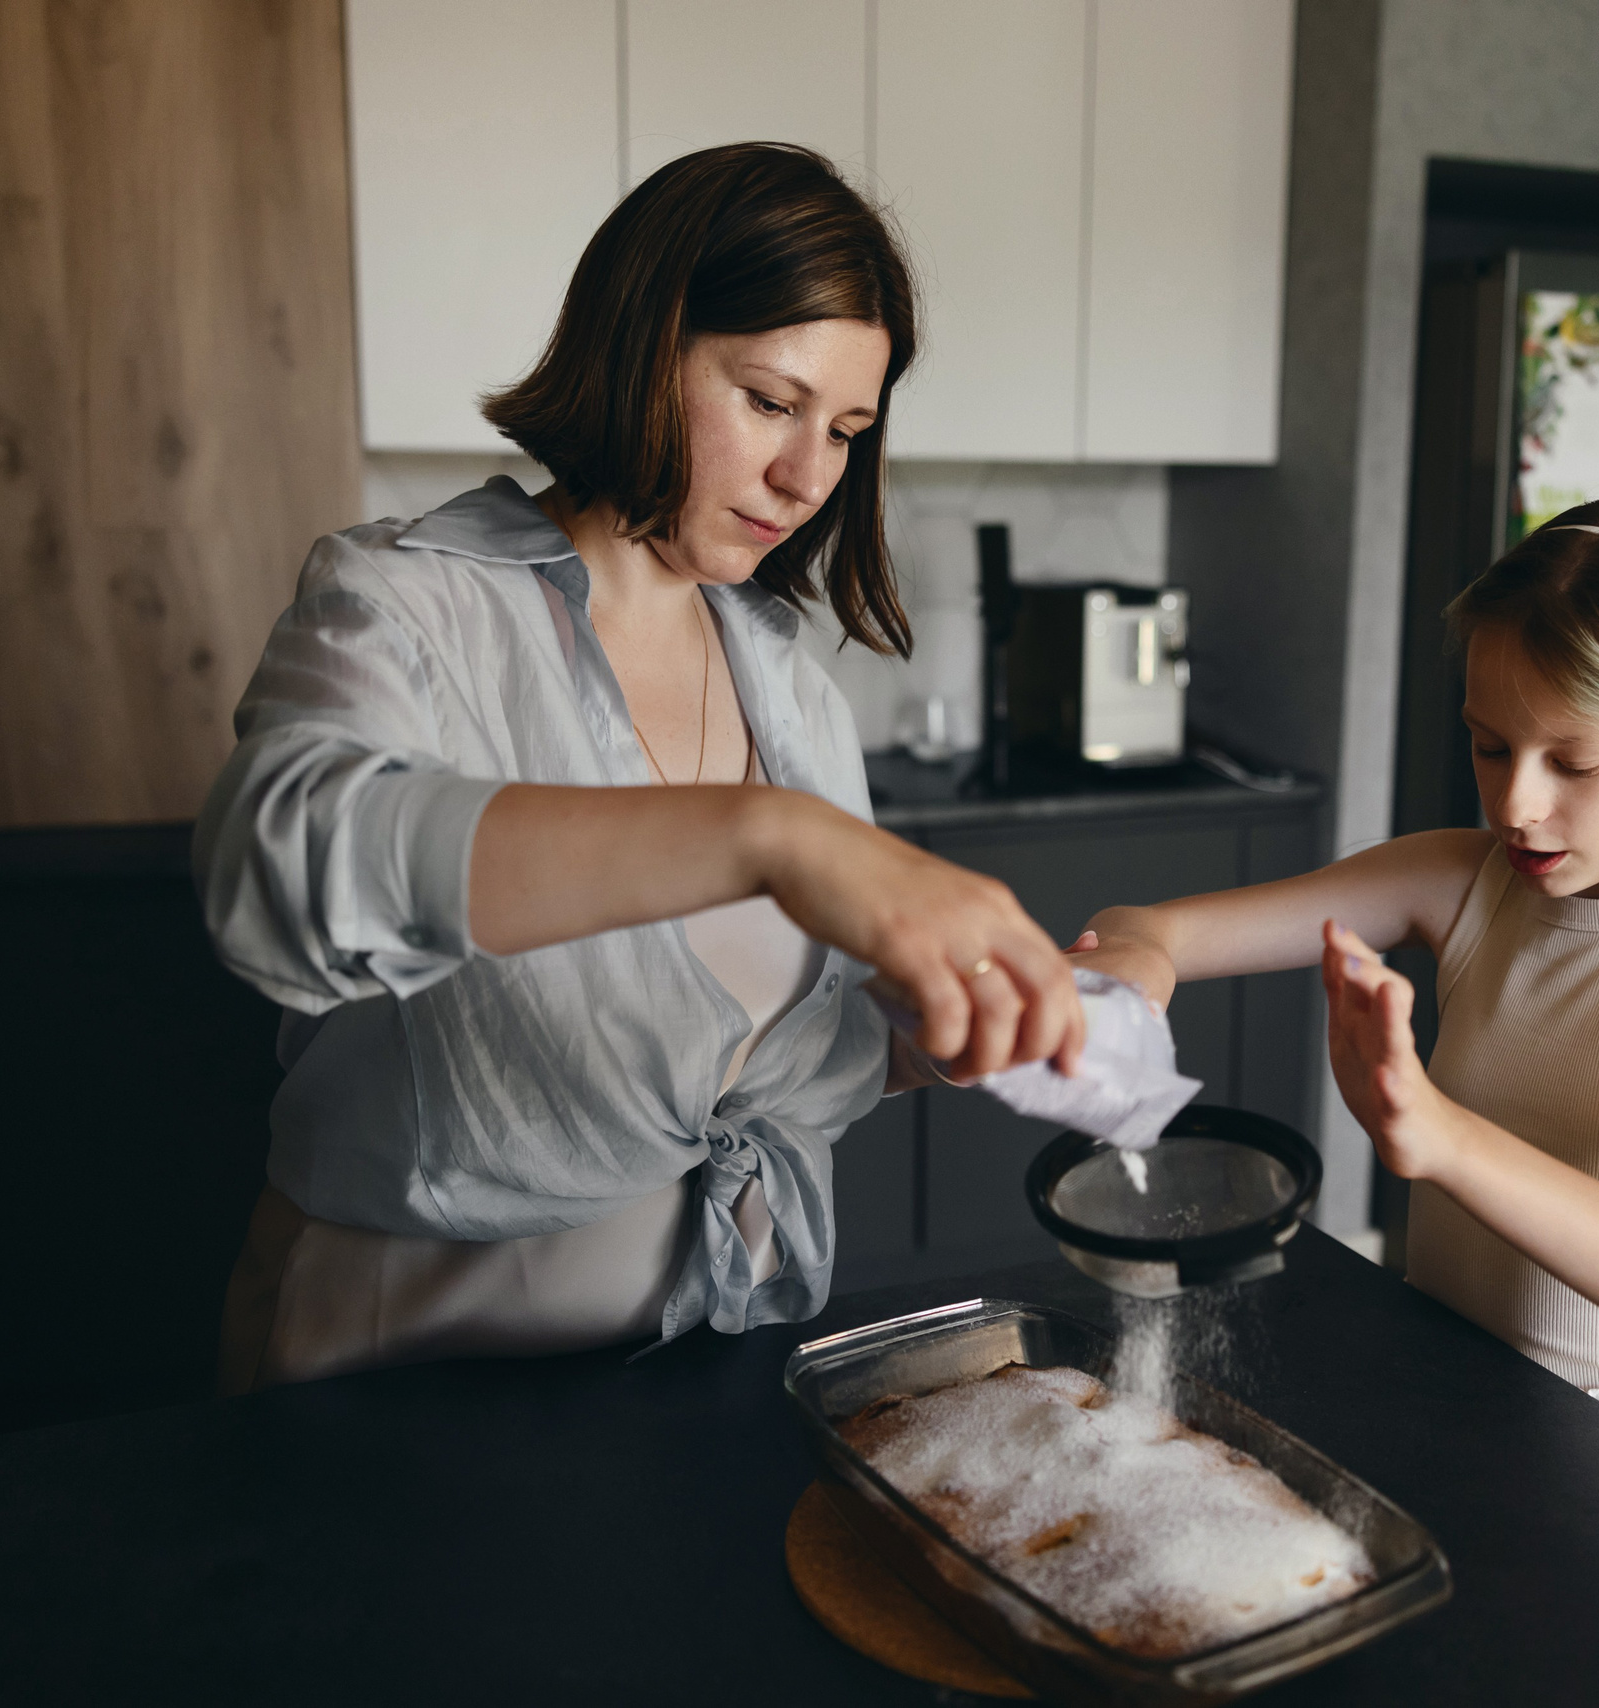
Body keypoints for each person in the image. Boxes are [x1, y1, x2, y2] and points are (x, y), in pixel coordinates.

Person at [195, 144, 1083, 1393]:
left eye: (845, 429)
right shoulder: (405, 603)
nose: (808, 478)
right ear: (638, 341)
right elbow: (277, 869)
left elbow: (743, 1056)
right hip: (397, 1381)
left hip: (701, 1366)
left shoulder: (793, 694)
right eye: (770, 402)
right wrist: (763, 838)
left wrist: (921, 1040)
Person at [1073, 497, 1599, 1553]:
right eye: (1490, 746)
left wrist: (1442, 1139)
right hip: (1464, 1412)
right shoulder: (1463, 880)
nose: (1516, 805)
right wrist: (1134, 961)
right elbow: (1146, 927)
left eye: (1574, 763)